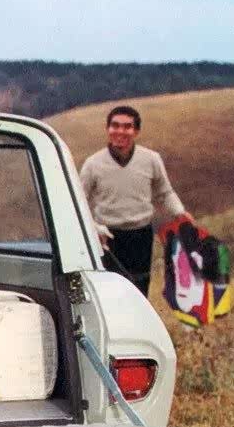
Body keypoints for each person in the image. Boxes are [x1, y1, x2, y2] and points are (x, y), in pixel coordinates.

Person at [80, 105, 189, 297]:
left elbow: (165, 192)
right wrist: (93, 228)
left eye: (127, 126)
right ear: (107, 129)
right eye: (115, 126)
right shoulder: (92, 164)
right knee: (109, 292)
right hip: (107, 239)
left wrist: (180, 213)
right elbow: (78, 201)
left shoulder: (151, 159)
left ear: (136, 131)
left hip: (141, 236)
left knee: (139, 290)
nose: (120, 131)